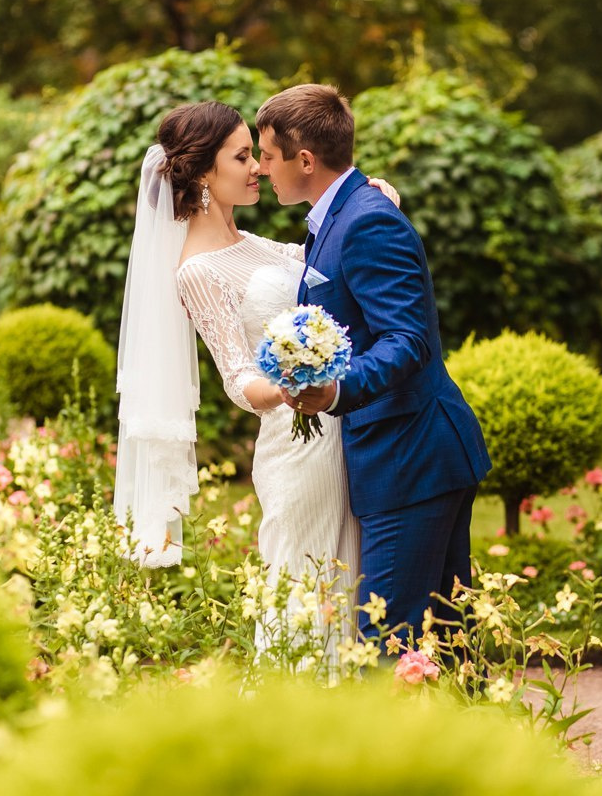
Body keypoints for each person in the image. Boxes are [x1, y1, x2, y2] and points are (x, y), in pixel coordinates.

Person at [114, 101, 399, 653]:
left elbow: (331, 262)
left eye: (256, 155)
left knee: (353, 587)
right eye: (243, 156)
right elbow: (240, 380)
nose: (258, 169)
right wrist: (297, 387)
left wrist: (372, 201)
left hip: (343, 429)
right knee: (308, 591)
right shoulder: (197, 270)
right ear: (201, 172)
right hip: (299, 446)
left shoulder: (256, 246)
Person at [257, 84, 491, 647]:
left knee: (389, 640)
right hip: (407, 455)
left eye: (267, 156)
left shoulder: (366, 221)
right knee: (441, 641)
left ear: (305, 160)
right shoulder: (342, 213)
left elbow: (407, 339)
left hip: (410, 455)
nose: (263, 170)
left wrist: (336, 390)